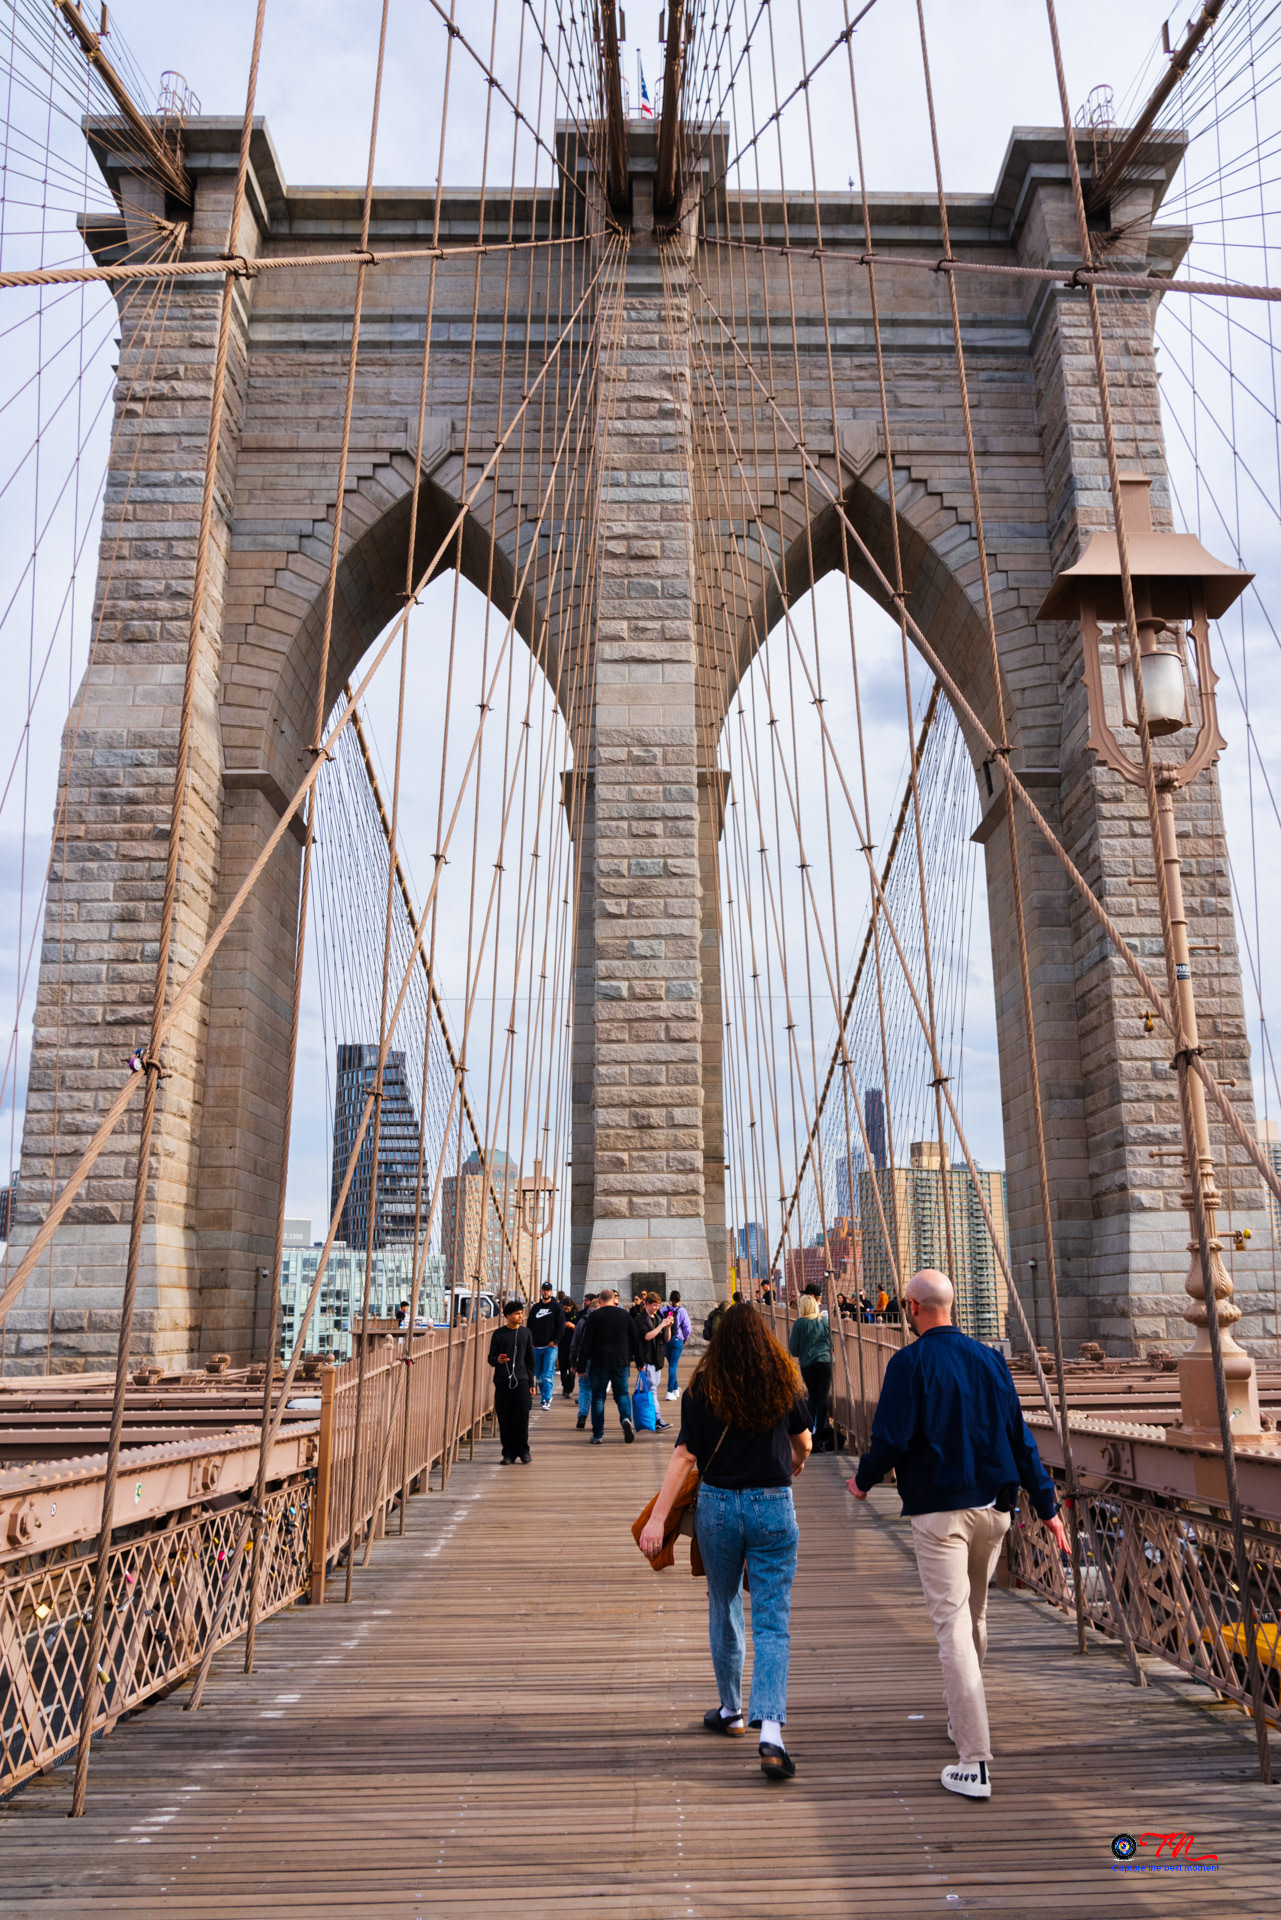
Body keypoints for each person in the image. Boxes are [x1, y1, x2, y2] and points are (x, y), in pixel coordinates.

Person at [848, 1268, 1071, 1801]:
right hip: (995, 1508)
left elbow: (891, 1438)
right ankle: (961, 1715)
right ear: (950, 1305)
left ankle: (974, 1761)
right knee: (974, 1617)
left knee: (951, 1627)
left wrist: (863, 1480)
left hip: (940, 1513)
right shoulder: (991, 1360)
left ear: (912, 1307)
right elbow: (1020, 1440)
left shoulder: (908, 1363)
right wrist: (1048, 1507)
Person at [640, 1304, 811, 1781]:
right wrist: (795, 1461)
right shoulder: (785, 1380)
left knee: (724, 1602)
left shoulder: (702, 1387)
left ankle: (731, 1711)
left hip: (716, 1506)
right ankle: (771, 1733)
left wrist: (658, 1520)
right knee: (772, 1621)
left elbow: (684, 1456)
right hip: (772, 1503)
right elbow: (804, 1441)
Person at [575, 1286, 645, 1443]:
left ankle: (598, 1435)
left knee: (598, 1398)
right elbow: (635, 1340)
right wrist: (640, 1362)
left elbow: (585, 1343)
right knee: (622, 1395)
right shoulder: (624, 1315)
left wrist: (581, 1366)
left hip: (599, 1363)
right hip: (621, 1362)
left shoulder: (594, 1316)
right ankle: (626, 1419)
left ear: (599, 1301)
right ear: (614, 1300)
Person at [487, 1299, 536, 1465]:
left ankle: (523, 1451)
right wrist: (498, 1360)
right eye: (517, 1314)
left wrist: (531, 1383)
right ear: (508, 1316)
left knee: (522, 1415)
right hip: (503, 1380)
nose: (520, 1316)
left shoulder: (526, 1333)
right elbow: (491, 1358)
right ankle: (508, 1453)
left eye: (521, 1313)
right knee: (505, 1417)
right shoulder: (498, 1334)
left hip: (521, 1379)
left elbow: (530, 1360)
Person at [788, 1294, 833, 1451]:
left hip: (808, 1363)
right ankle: (820, 1430)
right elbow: (831, 1343)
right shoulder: (824, 1321)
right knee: (823, 1396)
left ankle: (808, 1429)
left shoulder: (800, 1324)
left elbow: (794, 1349)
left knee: (813, 1396)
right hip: (826, 1361)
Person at [526, 1280, 564, 1412]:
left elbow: (561, 1326)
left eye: (548, 1290)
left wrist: (555, 1341)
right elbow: (529, 1326)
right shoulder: (535, 1308)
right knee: (539, 1376)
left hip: (550, 1348)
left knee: (547, 1374)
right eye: (544, 1289)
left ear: (551, 1292)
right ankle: (545, 1395)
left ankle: (545, 1399)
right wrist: (530, 1342)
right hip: (536, 1347)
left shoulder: (557, 1308)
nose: (546, 1292)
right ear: (541, 1291)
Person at [664, 1291, 692, 1400]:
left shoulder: (664, 1310)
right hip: (677, 1340)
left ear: (670, 1300)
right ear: (679, 1299)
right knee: (673, 1366)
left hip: (666, 1340)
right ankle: (669, 1391)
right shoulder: (682, 1311)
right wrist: (685, 1338)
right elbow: (688, 1328)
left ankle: (675, 1389)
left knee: (671, 1365)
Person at [557, 1300, 578, 1398]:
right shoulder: (560, 1315)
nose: (565, 1310)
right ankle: (565, 1386)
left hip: (572, 1344)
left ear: (572, 1306)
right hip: (562, 1343)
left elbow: (579, 1329)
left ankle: (570, 1388)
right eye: (564, 1308)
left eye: (567, 1308)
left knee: (571, 1367)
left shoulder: (576, 1315)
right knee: (563, 1367)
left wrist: (573, 1326)